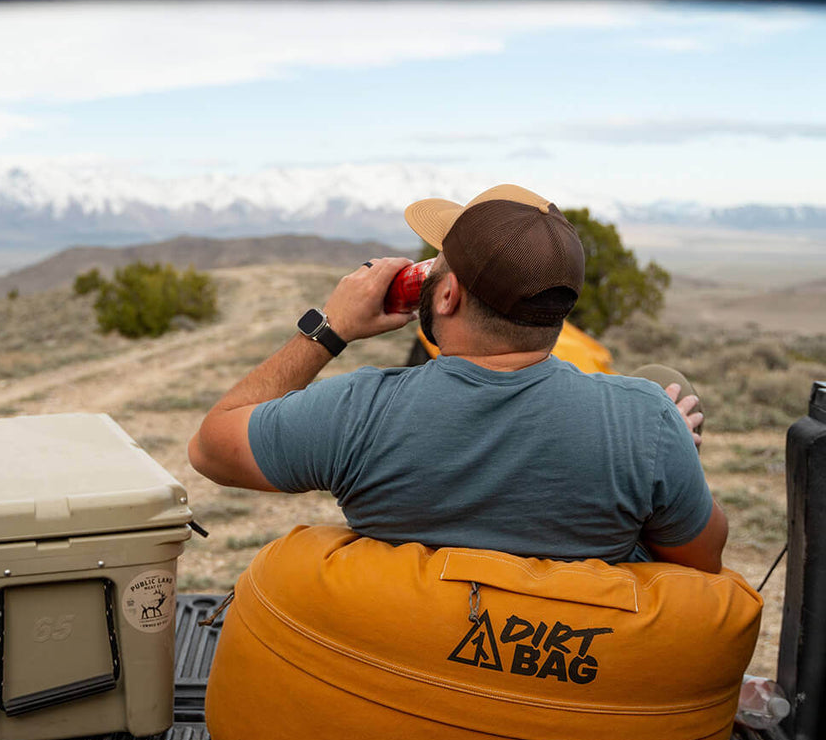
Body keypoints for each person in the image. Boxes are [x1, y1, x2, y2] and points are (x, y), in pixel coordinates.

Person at [187, 183, 726, 573]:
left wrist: (329, 331)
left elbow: (210, 449)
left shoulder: (358, 412)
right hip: (567, 675)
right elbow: (703, 560)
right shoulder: (645, 418)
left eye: (435, 263)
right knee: (662, 382)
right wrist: (666, 448)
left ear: (446, 295)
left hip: (413, 662)